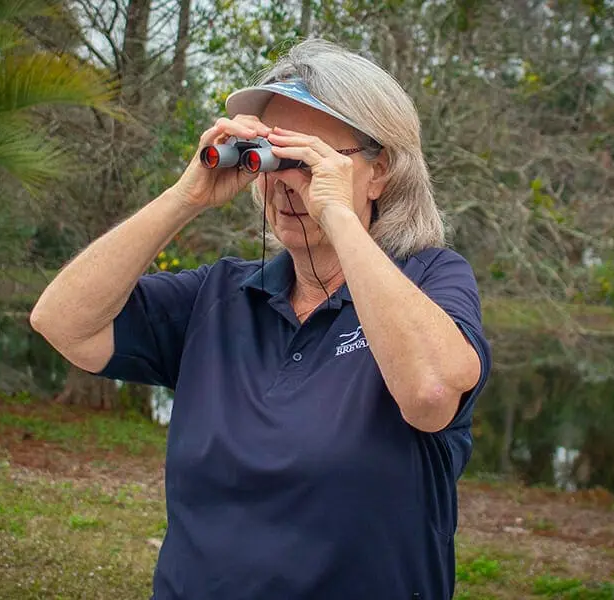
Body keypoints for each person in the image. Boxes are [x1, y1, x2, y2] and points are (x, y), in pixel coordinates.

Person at [31, 38, 492, 600]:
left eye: (311, 158)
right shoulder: (222, 296)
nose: (287, 180)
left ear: (380, 172)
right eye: (273, 156)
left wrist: (339, 216)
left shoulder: (431, 282)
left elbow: (431, 391)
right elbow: (62, 322)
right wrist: (186, 196)